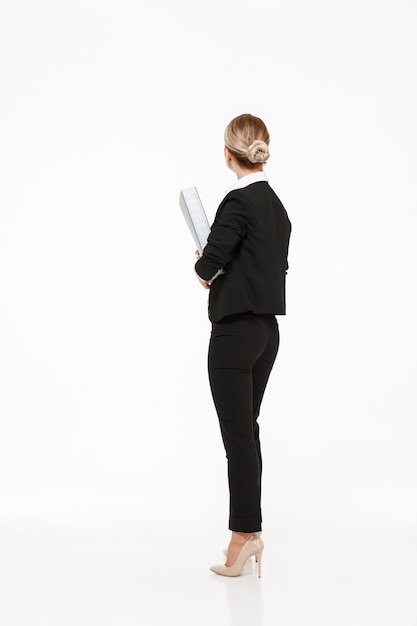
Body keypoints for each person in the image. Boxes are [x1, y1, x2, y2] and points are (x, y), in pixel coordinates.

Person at [194, 113, 291, 578]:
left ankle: (243, 538)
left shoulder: (237, 201)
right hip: (267, 333)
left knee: (238, 438)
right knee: (246, 433)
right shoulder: (277, 207)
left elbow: (208, 266)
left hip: (234, 334)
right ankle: (248, 533)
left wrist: (205, 266)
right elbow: (273, 269)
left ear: (228, 154)